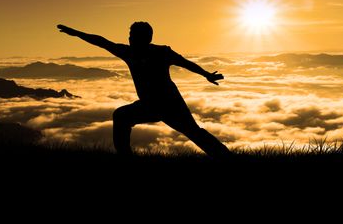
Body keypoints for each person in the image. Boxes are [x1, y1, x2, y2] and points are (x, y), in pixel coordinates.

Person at [57, 22, 231, 157]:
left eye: (133, 35)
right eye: (130, 35)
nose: (130, 38)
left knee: (193, 132)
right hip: (149, 104)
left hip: (171, 104)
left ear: (145, 38)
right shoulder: (128, 52)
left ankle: (226, 157)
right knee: (121, 116)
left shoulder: (162, 52)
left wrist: (206, 74)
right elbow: (102, 42)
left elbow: (185, 63)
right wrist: (76, 33)